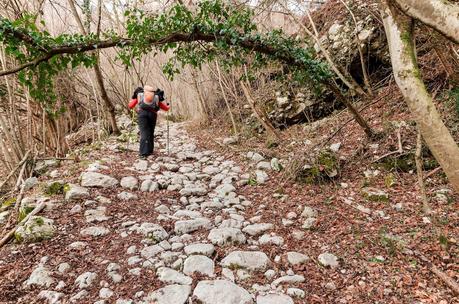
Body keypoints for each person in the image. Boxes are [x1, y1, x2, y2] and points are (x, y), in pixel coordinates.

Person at [128, 85, 170, 159]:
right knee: (150, 132)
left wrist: (131, 102)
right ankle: (150, 150)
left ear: (144, 91)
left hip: (142, 115)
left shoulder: (140, 95)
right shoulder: (156, 97)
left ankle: (143, 153)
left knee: (144, 132)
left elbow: (130, 106)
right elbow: (165, 108)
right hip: (153, 115)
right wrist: (168, 106)